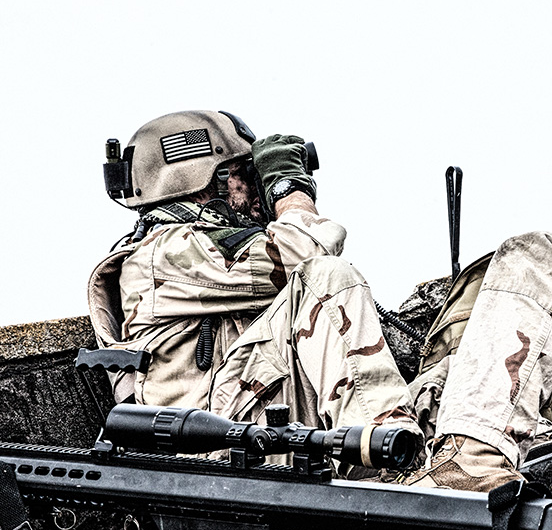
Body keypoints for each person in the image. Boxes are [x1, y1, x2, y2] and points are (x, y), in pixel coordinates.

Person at [88, 109, 548, 492]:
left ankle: (469, 460)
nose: (259, 189)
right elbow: (306, 252)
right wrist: (290, 191)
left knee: (520, 266)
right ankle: (393, 460)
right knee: (325, 274)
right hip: (227, 456)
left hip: (299, 435)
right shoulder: (162, 253)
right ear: (208, 180)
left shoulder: (224, 256)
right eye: (248, 173)